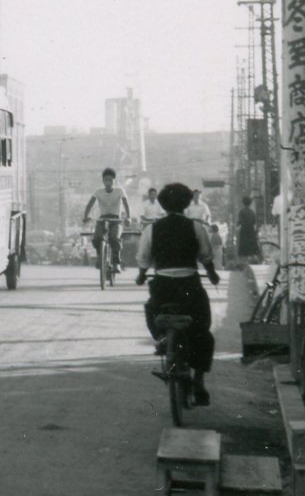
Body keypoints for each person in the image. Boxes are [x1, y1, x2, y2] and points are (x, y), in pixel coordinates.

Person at [135, 182, 220, 403]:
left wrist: (141, 275)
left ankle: (163, 339)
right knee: (202, 328)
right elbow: (206, 256)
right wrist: (212, 275)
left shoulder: (152, 229)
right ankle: (199, 380)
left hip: (162, 286)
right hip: (189, 286)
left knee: (152, 310)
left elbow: (144, 259)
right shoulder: (196, 227)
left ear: (163, 205)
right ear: (186, 203)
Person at [81, 168, 130, 274]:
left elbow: (126, 204)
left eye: (110, 180)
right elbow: (90, 204)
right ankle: (100, 257)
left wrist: (128, 217)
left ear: (114, 181)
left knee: (114, 238)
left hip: (116, 220)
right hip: (102, 219)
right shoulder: (98, 192)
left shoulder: (119, 191)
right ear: (103, 181)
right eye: (106, 180)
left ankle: (117, 262)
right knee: (97, 238)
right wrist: (86, 216)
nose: (108, 182)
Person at [236, 196, 262, 263]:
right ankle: (253, 261)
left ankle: (244, 262)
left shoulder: (241, 212)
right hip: (251, 230)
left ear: (243, 203)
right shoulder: (252, 212)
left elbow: (240, 221)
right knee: (252, 246)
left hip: (244, 231)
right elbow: (254, 221)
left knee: (244, 246)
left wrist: (238, 225)